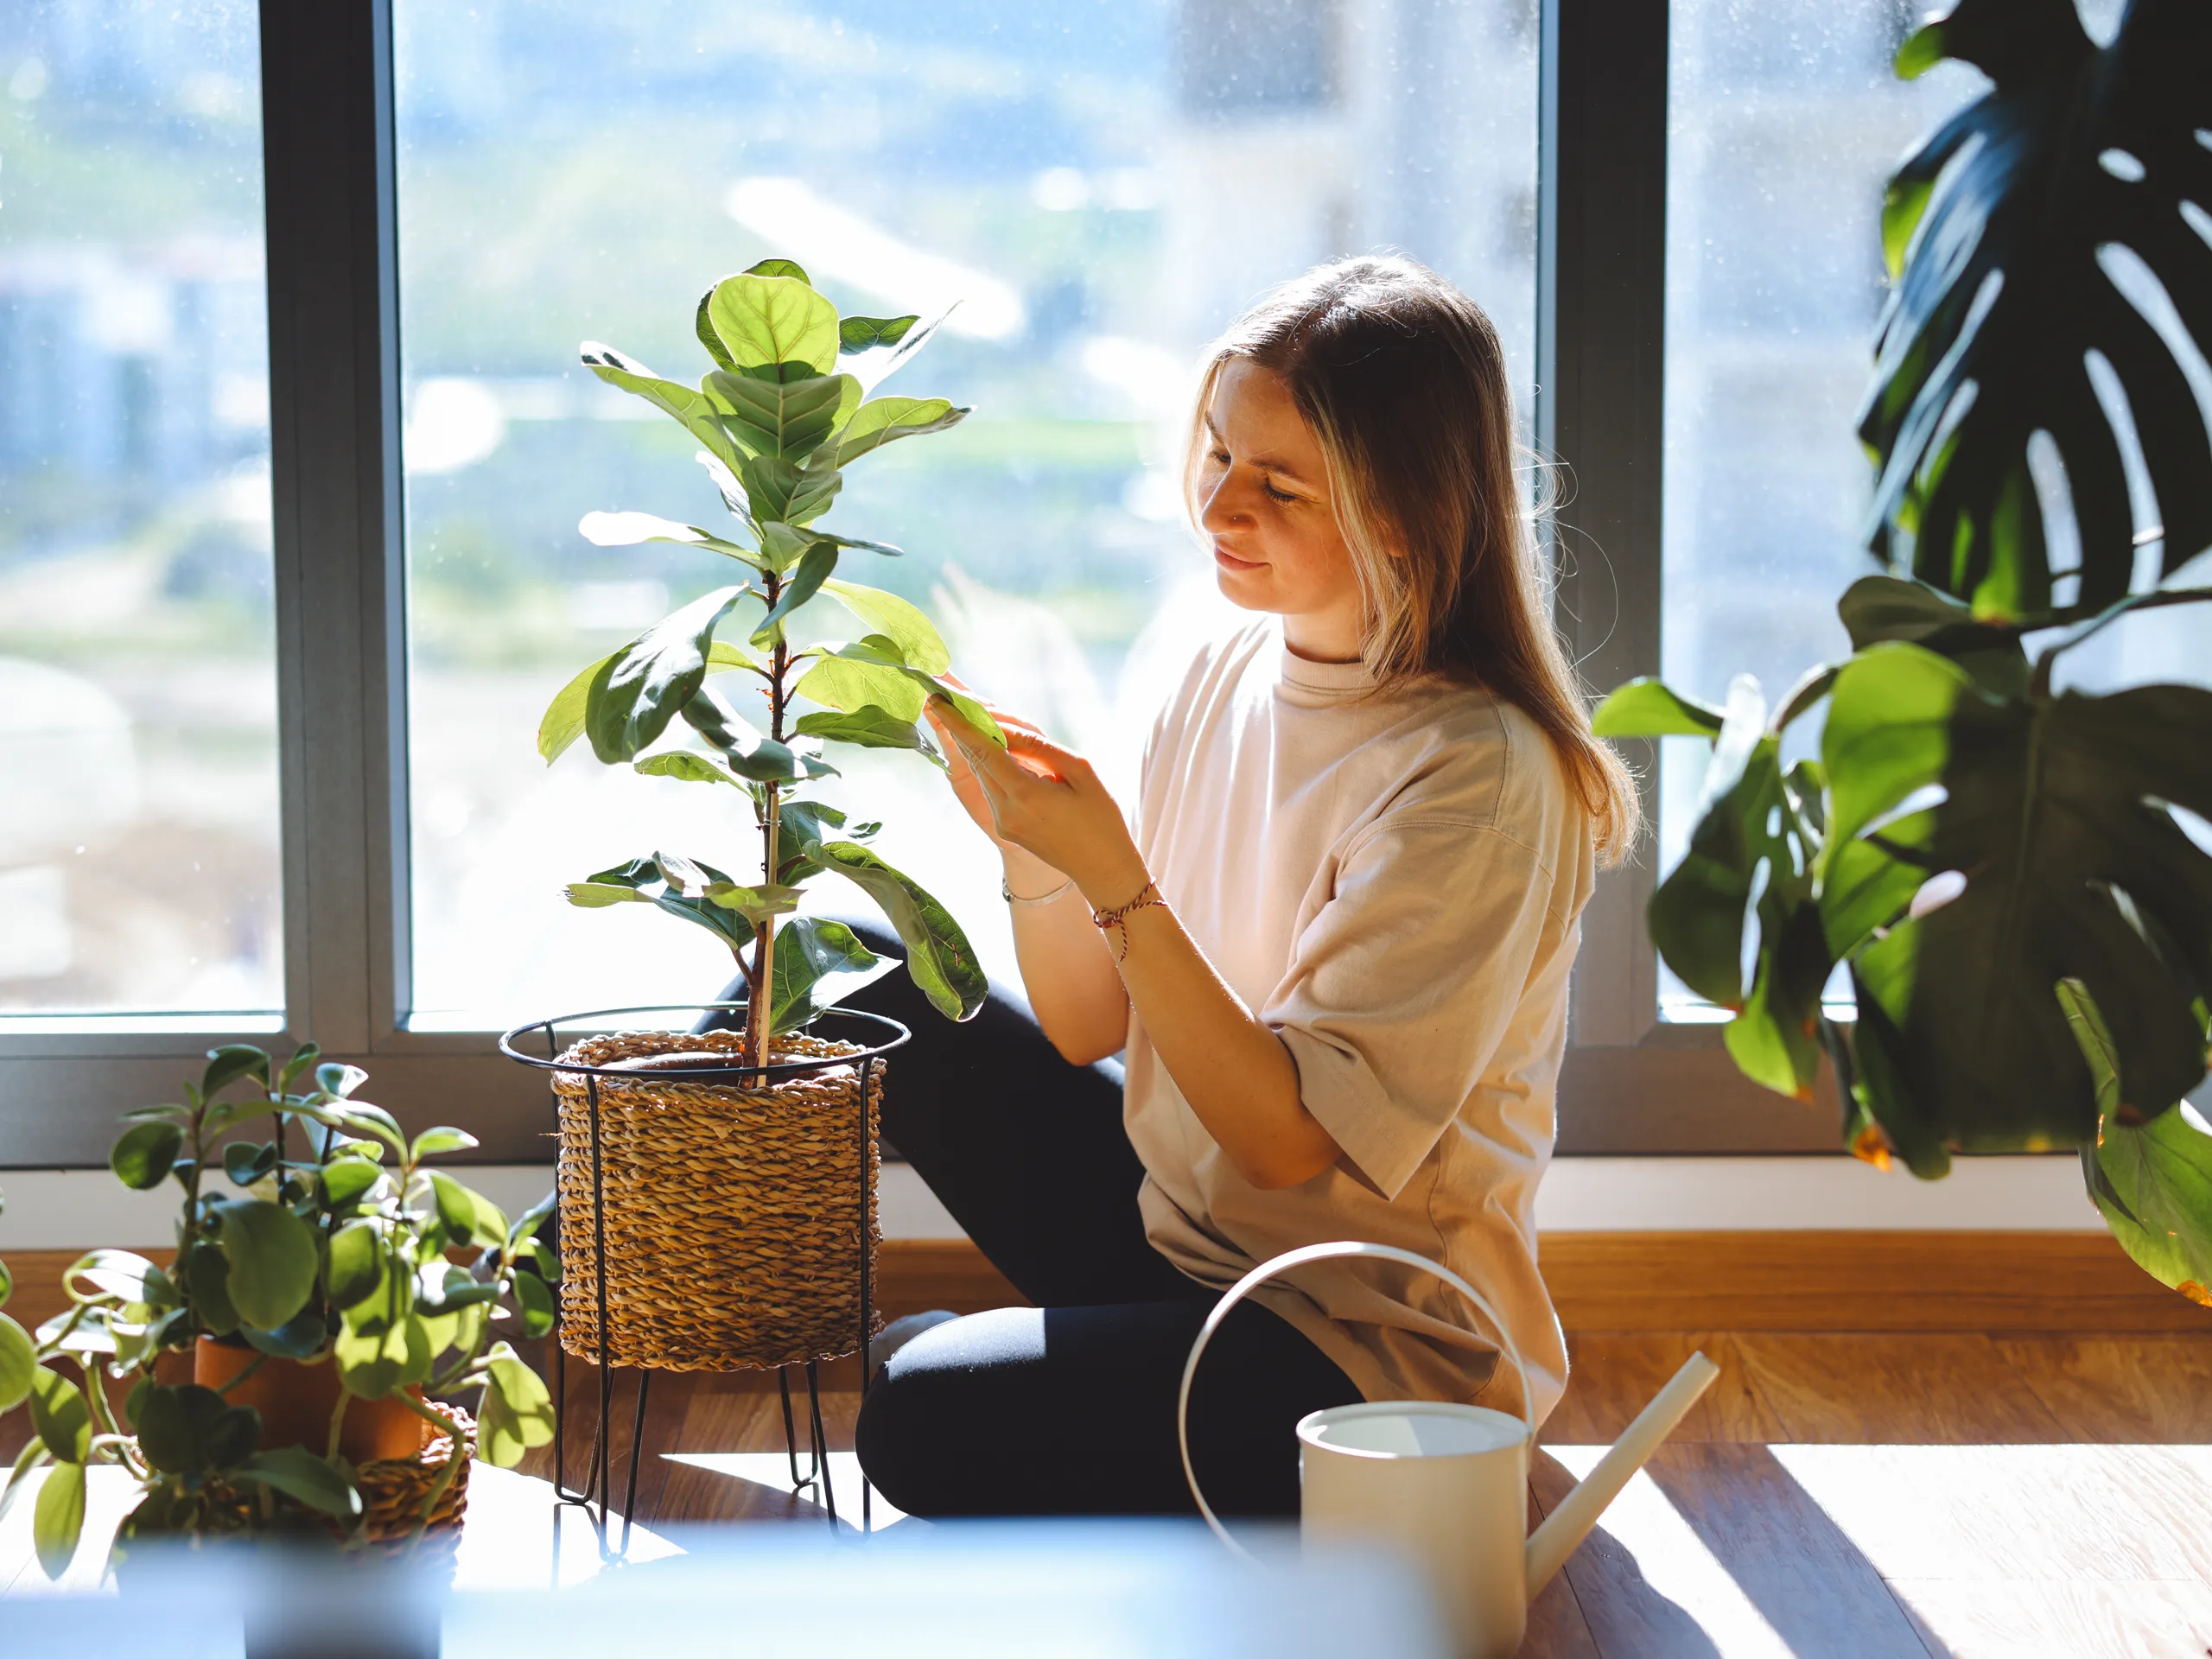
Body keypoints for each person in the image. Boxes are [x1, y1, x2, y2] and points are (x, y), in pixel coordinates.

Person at [832, 254, 1639, 1519]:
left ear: (1408, 508)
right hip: (1180, 1242)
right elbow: (1091, 1026)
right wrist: (1031, 850)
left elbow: (1286, 1142)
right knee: (851, 982)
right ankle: (536, 1292)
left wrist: (1113, 873)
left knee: (919, 1417)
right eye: (1217, 453)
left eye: (1280, 485)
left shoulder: (1477, 773)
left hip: (1366, 1351)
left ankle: (993, 1376)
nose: (1219, 506)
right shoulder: (1215, 663)